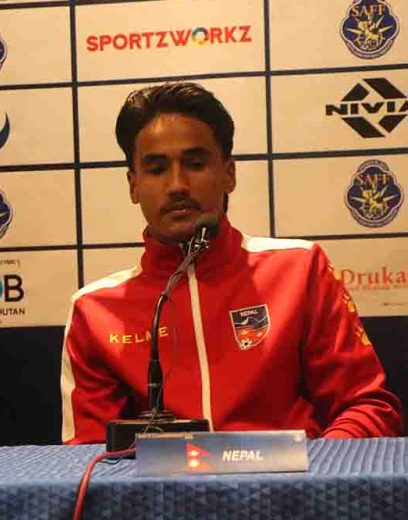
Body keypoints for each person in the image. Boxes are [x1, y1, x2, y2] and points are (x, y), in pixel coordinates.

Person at [61, 82, 403, 444]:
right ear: (133, 185)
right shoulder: (95, 312)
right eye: (157, 169)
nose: (177, 185)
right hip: (158, 485)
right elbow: (91, 455)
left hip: (301, 480)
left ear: (229, 174)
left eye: (195, 164)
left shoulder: (300, 270)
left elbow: (366, 407)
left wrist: (315, 471)